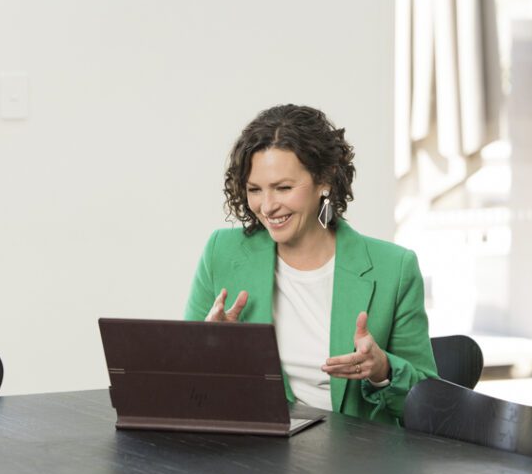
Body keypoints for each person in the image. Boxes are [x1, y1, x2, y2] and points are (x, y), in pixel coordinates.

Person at [185, 105, 437, 425]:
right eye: (254, 190)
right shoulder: (222, 251)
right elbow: (188, 389)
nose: (267, 206)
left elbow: (429, 405)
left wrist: (382, 371)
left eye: (283, 188)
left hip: (355, 458)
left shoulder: (394, 269)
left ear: (325, 180)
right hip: (257, 452)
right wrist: (212, 352)